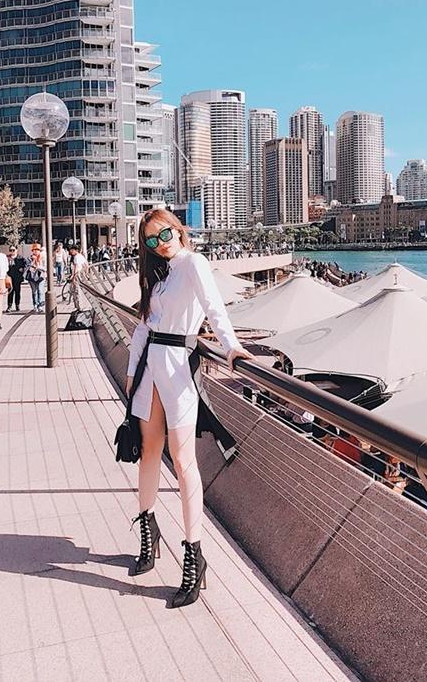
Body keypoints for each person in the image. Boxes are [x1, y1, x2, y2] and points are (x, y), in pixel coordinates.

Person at [125, 208, 251, 608]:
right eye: (151, 240)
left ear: (177, 229)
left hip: (179, 367)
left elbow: (214, 308)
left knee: (183, 461)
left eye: (163, 234)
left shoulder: (194, 263)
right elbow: (144, 325)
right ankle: (149, 534)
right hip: (150, 369)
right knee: (148, 452)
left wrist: (231, 347)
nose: (159, 244)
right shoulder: (157, 274)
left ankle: (194, 554)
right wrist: (131, 371)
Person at [26, 244, 46, 312]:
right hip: (32, 277)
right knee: (34, 291)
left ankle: (40, 305)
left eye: (37, 250)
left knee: (40, 291)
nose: (36, 251)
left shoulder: (43, 258)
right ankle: (35, 304)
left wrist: (38, 267)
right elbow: (28, 267)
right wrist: (33, 261)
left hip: (41, 277)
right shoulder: (29, 258)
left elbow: (45, 268)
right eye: (34, 250)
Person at [6, 244, 26, 312]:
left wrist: (22, 269)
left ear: (16, 250)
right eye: (10, 250)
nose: (12, 251)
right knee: (10, 292)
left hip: (17, 277)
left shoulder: (20, 258)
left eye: (13, 250)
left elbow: (25, 265)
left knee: (17, 292)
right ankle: (9, 306)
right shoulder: (7, 258)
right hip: (10, 277)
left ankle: (17, 305)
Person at [69, 244, 88, 311]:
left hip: (76, 275)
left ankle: (78, 307)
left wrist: (73, 277)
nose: (71, 252)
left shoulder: (76, 257)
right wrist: (85, 273)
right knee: (78, 290)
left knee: (76, 290)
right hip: (80, 274)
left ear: (75, 250)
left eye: (72, 250)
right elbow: (86, 265)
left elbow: (75, 267)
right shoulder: (81, 256)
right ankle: (80, 306)